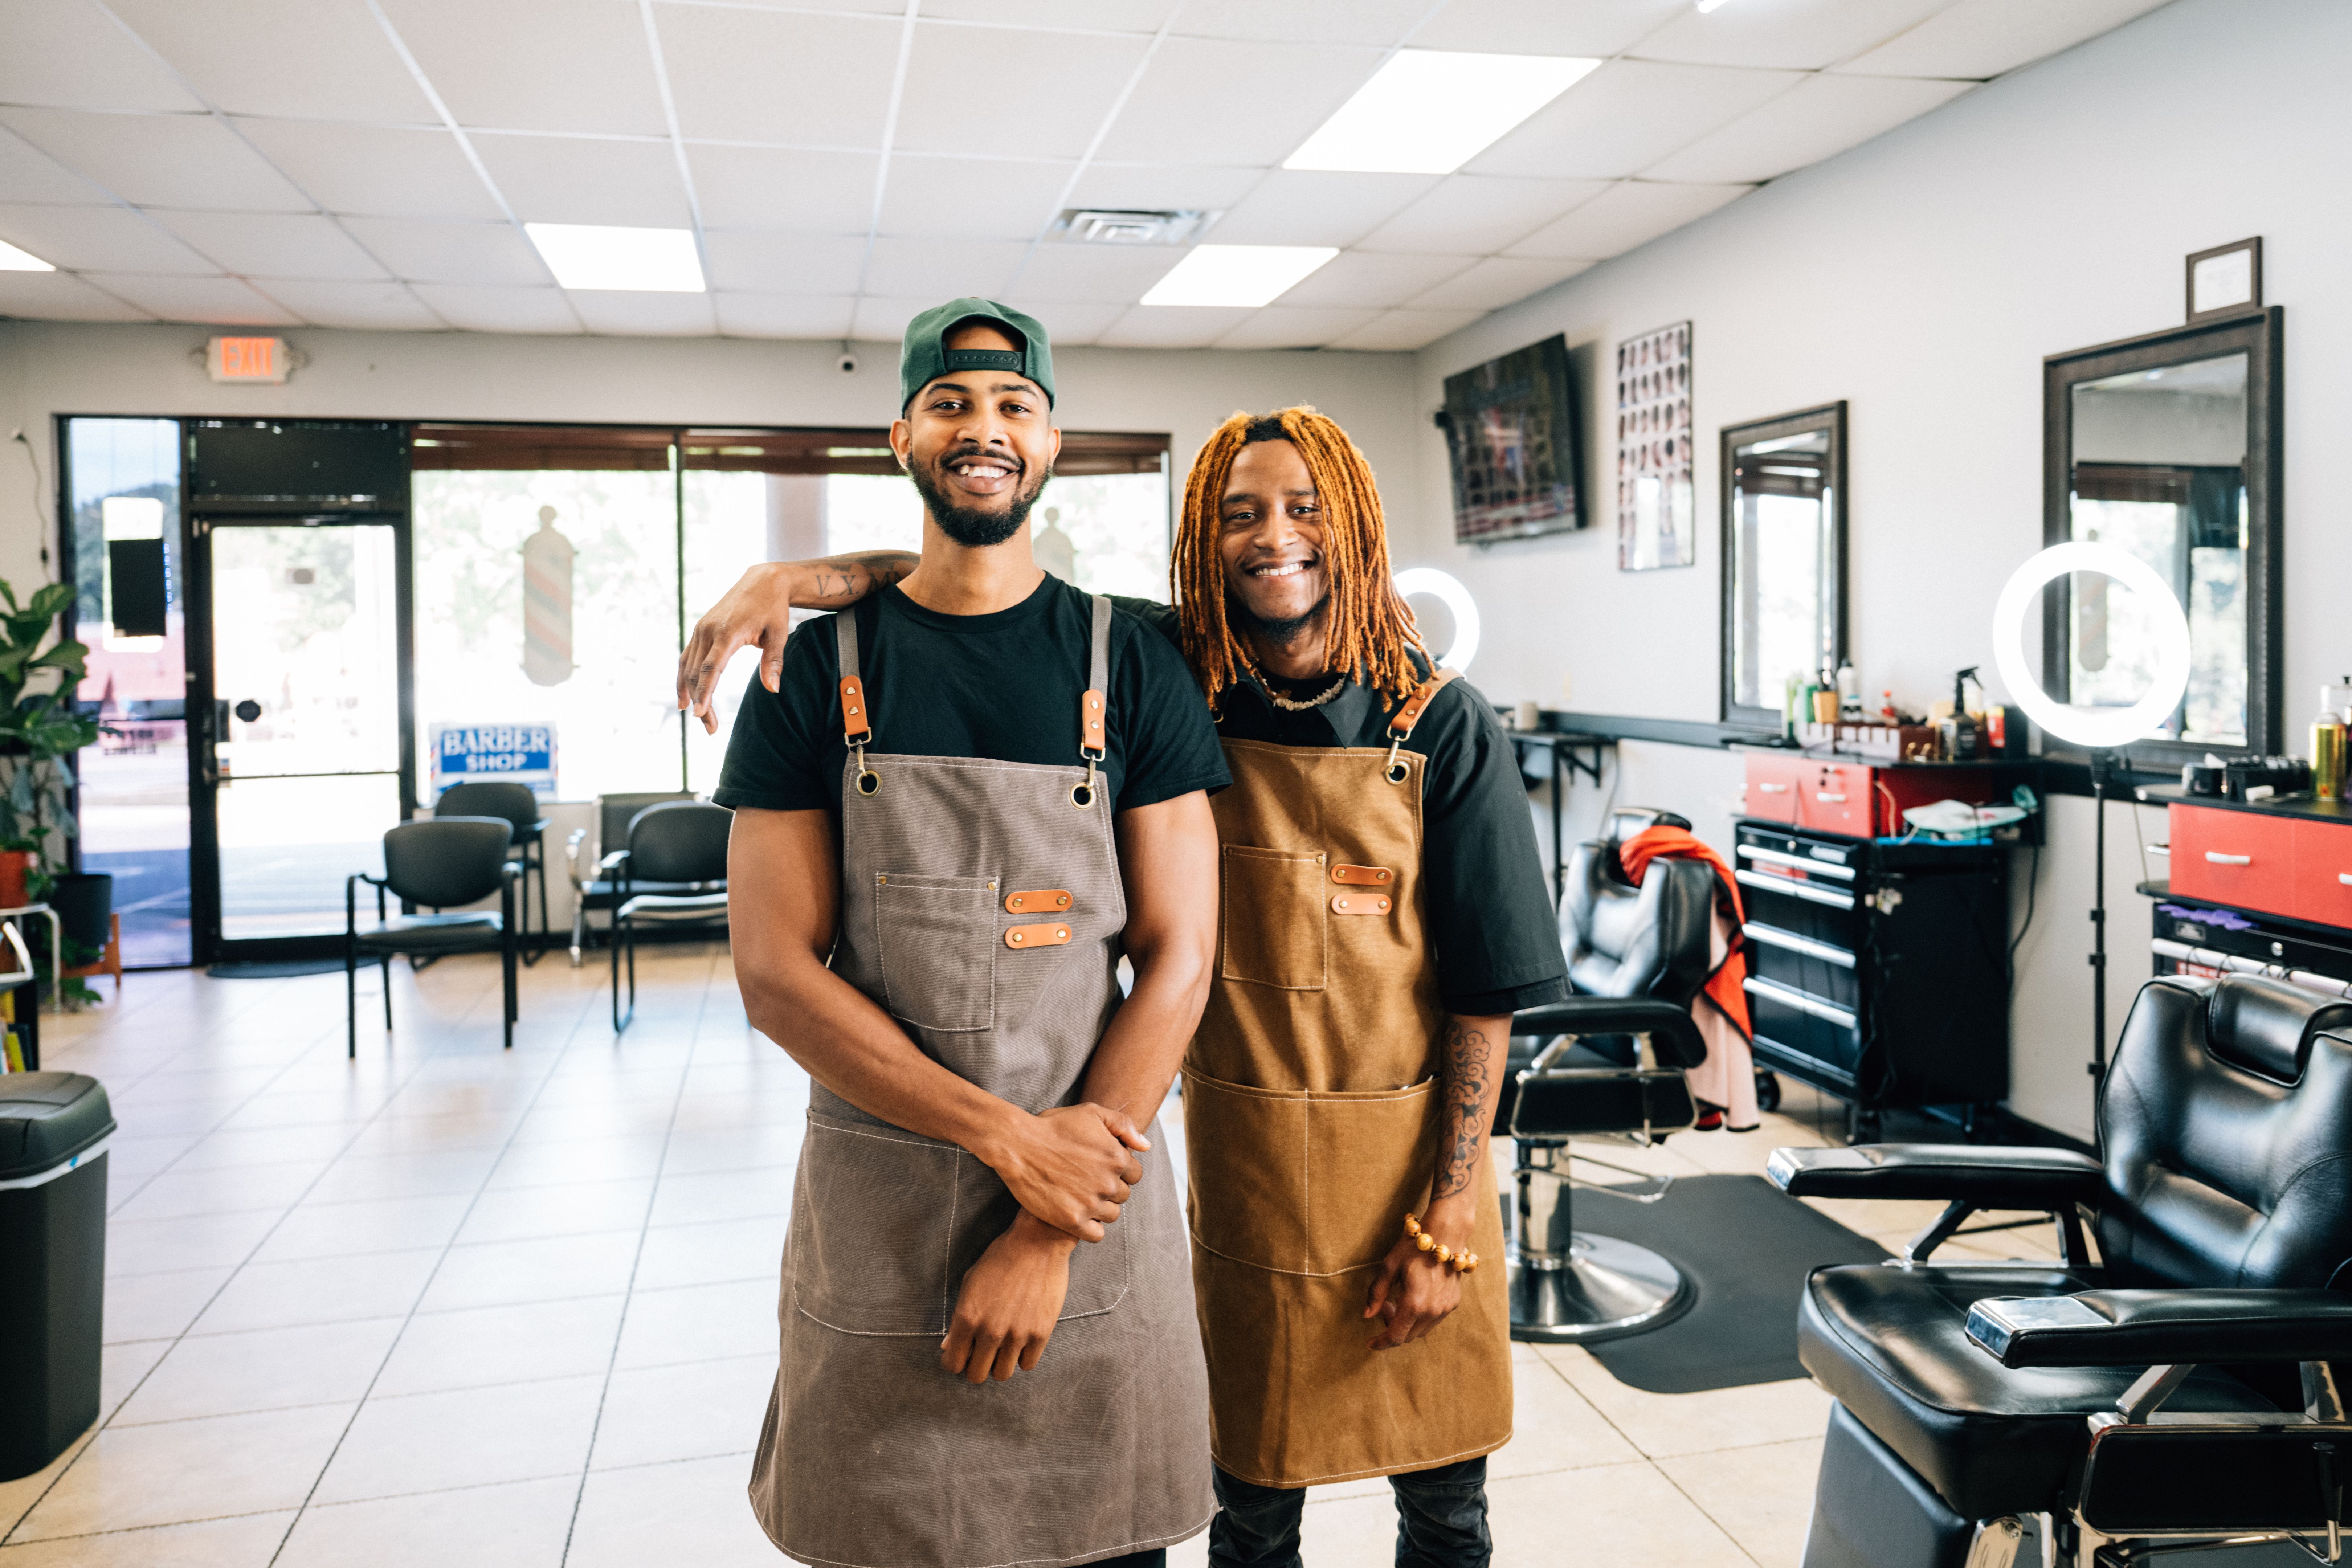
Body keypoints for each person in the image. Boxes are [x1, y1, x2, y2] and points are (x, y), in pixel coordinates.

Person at [688, 407, 1567, 1568]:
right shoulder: (1174, 673)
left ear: (1354, 526)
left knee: (1445, 1505)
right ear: (1203, 541)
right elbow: (971, 574)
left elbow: (1486, 995)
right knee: (1248, 1515)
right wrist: (789, 578)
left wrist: (1453, 1212)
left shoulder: (1440, 724)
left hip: (1407, 1175)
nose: (1275, 538)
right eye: (1241, 514)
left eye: (1306, 509)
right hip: (1238, 1169)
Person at [715, 298, 1226, 1568]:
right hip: (885, 1219)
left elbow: (1181, 959)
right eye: (950, 403)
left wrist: (1051, 1226)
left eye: (1013, 406)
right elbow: (776, 976)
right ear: (902, 438)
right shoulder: (814, 670)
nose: (982, 428)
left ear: (1052, 447)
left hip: (1087, 1221)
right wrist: (1012, 1144)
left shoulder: (1136, 662)